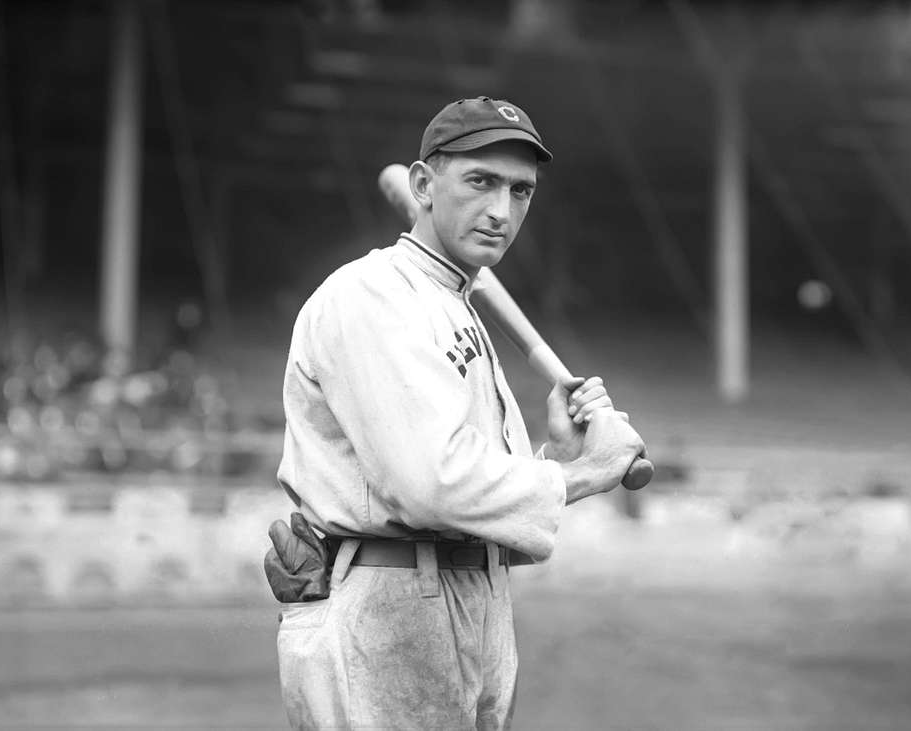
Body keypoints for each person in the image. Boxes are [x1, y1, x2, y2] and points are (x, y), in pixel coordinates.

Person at [272, 96, 647, 729]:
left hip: (464, 604)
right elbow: (428, 485)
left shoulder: (453, 303)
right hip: (383, 610)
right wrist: (588, 474)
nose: (502, 211)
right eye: (481, 181)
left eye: (521, 191)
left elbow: (470, 502)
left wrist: (554, 459)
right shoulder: (374, 298)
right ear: (421, 185)